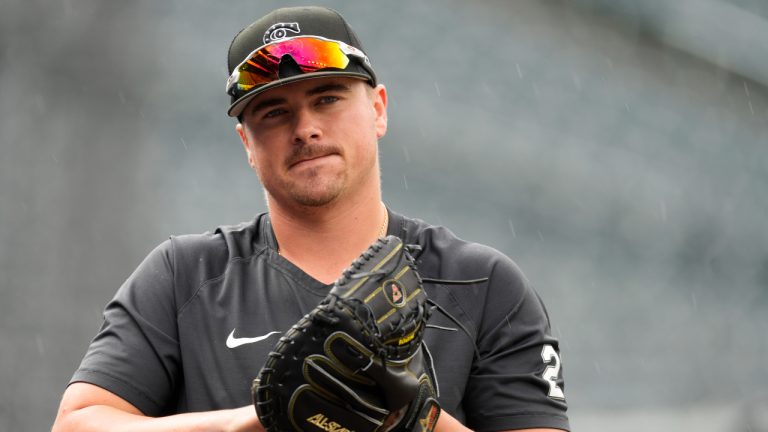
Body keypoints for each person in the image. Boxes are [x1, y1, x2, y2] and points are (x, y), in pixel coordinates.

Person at [52, 6, 569, 432]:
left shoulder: (481, 284)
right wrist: (249, 423)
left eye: (327, 98)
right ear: (246, 145)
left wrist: (418, 419)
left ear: (378, 109)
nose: (305, 128)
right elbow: (76, 424)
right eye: (274, 112)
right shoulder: (182, 276)